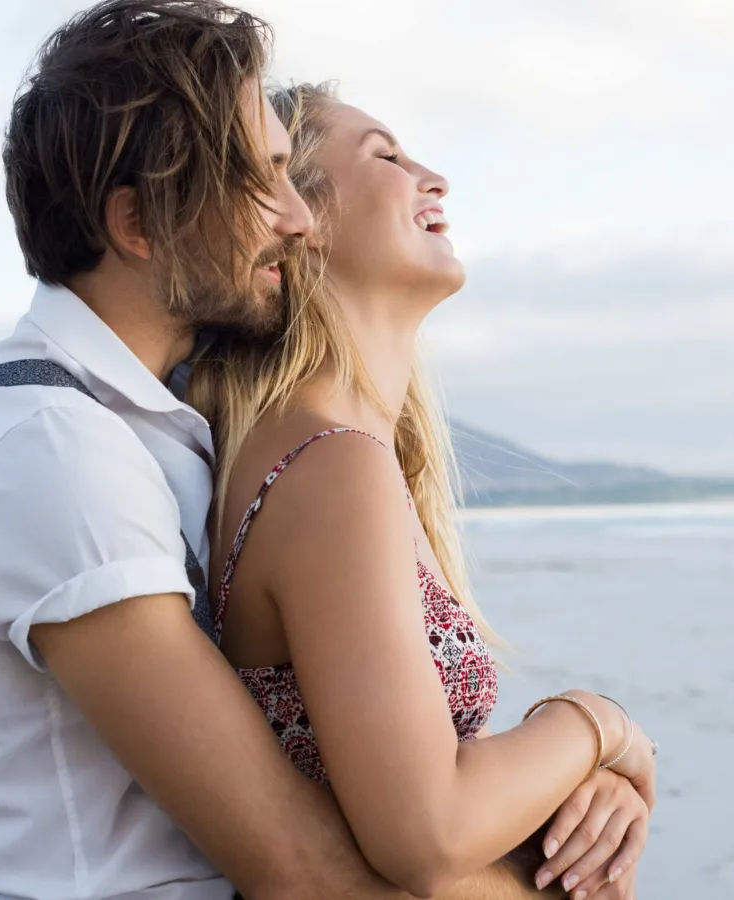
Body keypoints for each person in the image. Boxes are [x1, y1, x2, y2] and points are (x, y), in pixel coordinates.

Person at [0, 2, 597, 898]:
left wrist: (573, 792)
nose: (297, 219)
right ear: (139, 223)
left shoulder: (161, 430)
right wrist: (593, 731)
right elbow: (304, 870)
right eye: (261, 178)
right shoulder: (51, 451)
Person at [188, 84, 658, 900]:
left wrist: (578, 801)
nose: (432, 176)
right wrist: (596, 726)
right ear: (302, 219)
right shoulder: (329, 464)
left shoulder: (341, 454)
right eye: (386, 157)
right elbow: (427, 835)